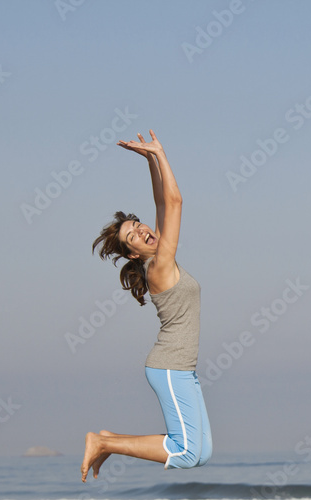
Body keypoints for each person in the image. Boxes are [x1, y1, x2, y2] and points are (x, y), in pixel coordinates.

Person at [81, 130, 212, 482]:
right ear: (132, 253)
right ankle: (104, 443)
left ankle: (107, 439)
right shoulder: (158, 266)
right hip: (169, 367)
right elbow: (176, 202)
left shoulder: (160, 256)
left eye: (138, 226)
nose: (141, 232)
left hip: (182, 368)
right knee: (185, 453)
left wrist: (150, 160)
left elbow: (162, 203)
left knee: (202, 453)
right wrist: (162, 152)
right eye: (132, 236)